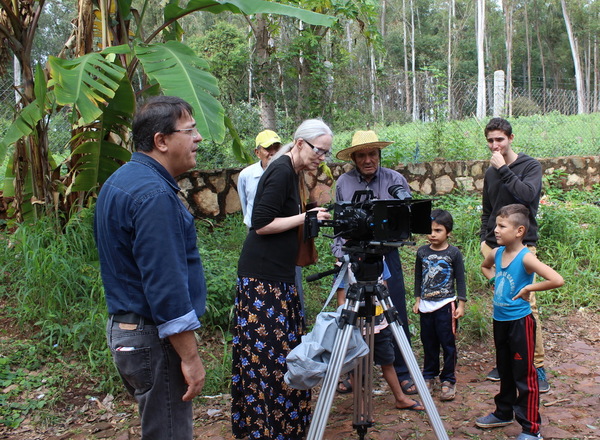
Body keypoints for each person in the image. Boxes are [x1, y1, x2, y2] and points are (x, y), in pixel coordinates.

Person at [94, 96, 207, 439]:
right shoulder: (154, 195)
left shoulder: (120, 181)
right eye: (190, 130)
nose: (198, 138)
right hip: (154, 338)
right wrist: (190, 357)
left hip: (127, 331)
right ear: (161, 141)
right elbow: (166, 288)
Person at [231, 119, 333, 440]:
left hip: (278, 276)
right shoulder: (281, 171)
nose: (322, 157)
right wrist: (307, 217)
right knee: (271, 357)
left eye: (326, 153)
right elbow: (261, 223)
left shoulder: (292, 172)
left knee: (281, 352)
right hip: (263, 281)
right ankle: (271, 427)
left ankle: (282, 424)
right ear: (300, 143)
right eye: (319, 150)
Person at [333, 130, 417, 395]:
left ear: (379, 155)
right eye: (361, 155)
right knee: (352, 315)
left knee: (395, 311)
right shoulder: (344, 182)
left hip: (387, 254)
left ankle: (404, 372)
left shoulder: (395, 180)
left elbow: (407, 219)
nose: (367, 159)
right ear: (354, 158)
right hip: (354, 255)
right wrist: (340, 255)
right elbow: (338, 224)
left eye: (372, 154)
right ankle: (351, 372)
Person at [475, 204, 564, 440]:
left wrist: (529, 287)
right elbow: (485, 268)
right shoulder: (496, 253)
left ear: (519, 231)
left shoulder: (527, 258)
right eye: (496, 225)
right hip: (499, 321)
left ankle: (531, 429)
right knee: (504, 369)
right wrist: (495, 280)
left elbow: (557, 279)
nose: (496, 230)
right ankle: (503, 412)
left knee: (523, 375)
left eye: (502, 226)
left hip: (520, 323)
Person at [480, 117, 550, 393]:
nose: (495, 145)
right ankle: (507, 361)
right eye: (490, 140)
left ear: (510, 138)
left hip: (521, 248)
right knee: (502, 303)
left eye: (499, 139)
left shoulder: (529, 166)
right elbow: (488, 208)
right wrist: (485, 238)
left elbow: (528, 196)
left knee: (526, 306)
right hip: (494, 246)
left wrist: (505, 170)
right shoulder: (490, 172)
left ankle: (537, 365)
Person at [335, 263, 425, 412]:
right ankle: (361, 406)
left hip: (380, 325)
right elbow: (341, 299)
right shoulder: (343, 264)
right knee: (356, 369)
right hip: (356, 329)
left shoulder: (379, 259)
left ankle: (400, 398)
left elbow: (384, 289)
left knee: (388, 362)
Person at [412, 209, 466, 401]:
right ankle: (429, 375)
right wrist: (418, 299)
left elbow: (460, 279)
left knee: (448, 344)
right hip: (426, 306)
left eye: (438, 230)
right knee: (428, 342)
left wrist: (461, 304)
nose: (432, 234)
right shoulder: (422, 252)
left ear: (448, 232)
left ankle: (448, 379)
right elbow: (418, 276)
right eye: (430, 230)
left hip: (446, 305)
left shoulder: (453, 253)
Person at [238, 129, 282, 228]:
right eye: (268, 149)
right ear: (257, 152)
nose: (273, 153)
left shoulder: (288, 173)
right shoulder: (246, 175)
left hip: (279, 228)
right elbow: (245, 204)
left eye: (276, 148)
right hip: (255, 229)